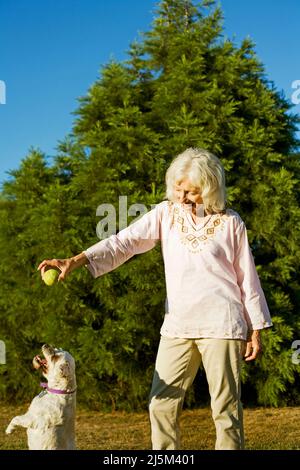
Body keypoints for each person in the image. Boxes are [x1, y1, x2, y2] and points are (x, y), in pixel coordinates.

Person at [38, 147, 272, 450]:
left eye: (191, 192)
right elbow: (124, 242)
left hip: (222, 324)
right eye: (178, 188)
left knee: (225, 410)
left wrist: (255, 328)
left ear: (210, 188)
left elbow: (247, 276)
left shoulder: (230, 223)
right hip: (177, 326)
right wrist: (76, 260)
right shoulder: (166, 214)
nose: (182, 197)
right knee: (160, 404)